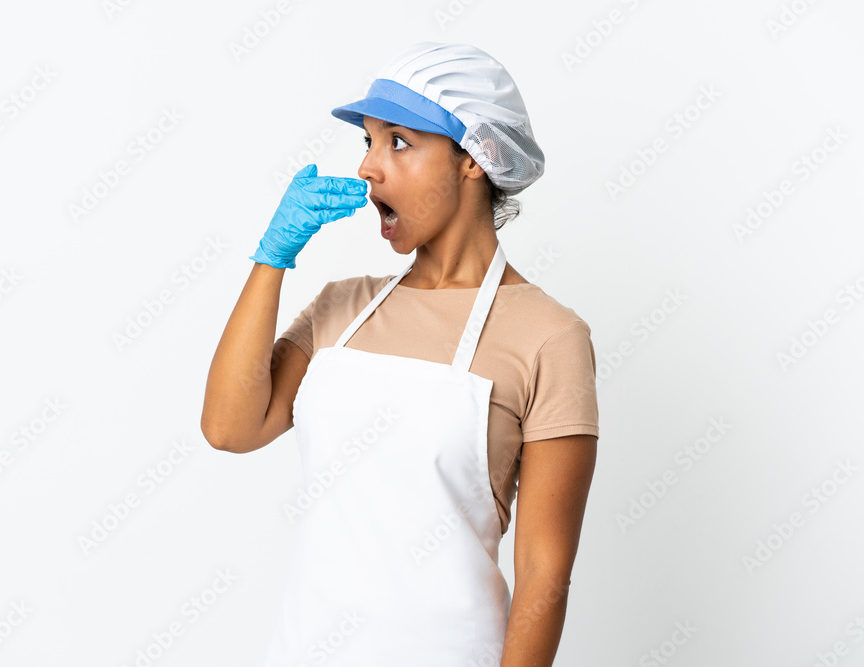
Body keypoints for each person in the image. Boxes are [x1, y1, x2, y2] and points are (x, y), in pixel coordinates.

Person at [201, 42, 599, 666]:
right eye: (368, 141)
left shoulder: (549, 336)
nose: (368, 167)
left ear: (475, 158)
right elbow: (229, 428)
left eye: (399, 142)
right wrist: (272, 257)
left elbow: (544, 576)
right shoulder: (341, 307)